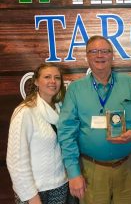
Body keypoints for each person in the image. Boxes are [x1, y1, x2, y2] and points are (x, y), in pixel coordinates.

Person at [57, 35, 131, 204]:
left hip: (127, 166)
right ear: (87, 56)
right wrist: (73, 172)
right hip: (91, 170)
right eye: (94, 51)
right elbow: (66, 133)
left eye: (105, 51)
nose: (99, 55)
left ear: (112, 55)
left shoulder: (129, 84)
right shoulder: (76, 90)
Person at [6, 63, 68, 204]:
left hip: (59, 186)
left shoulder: (61, 110)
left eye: (57, 77)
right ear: (36, 81)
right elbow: (15, 160)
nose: (53, 81)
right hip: (34, 190)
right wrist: (31, 195)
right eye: (47, 77)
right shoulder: (25, 112)